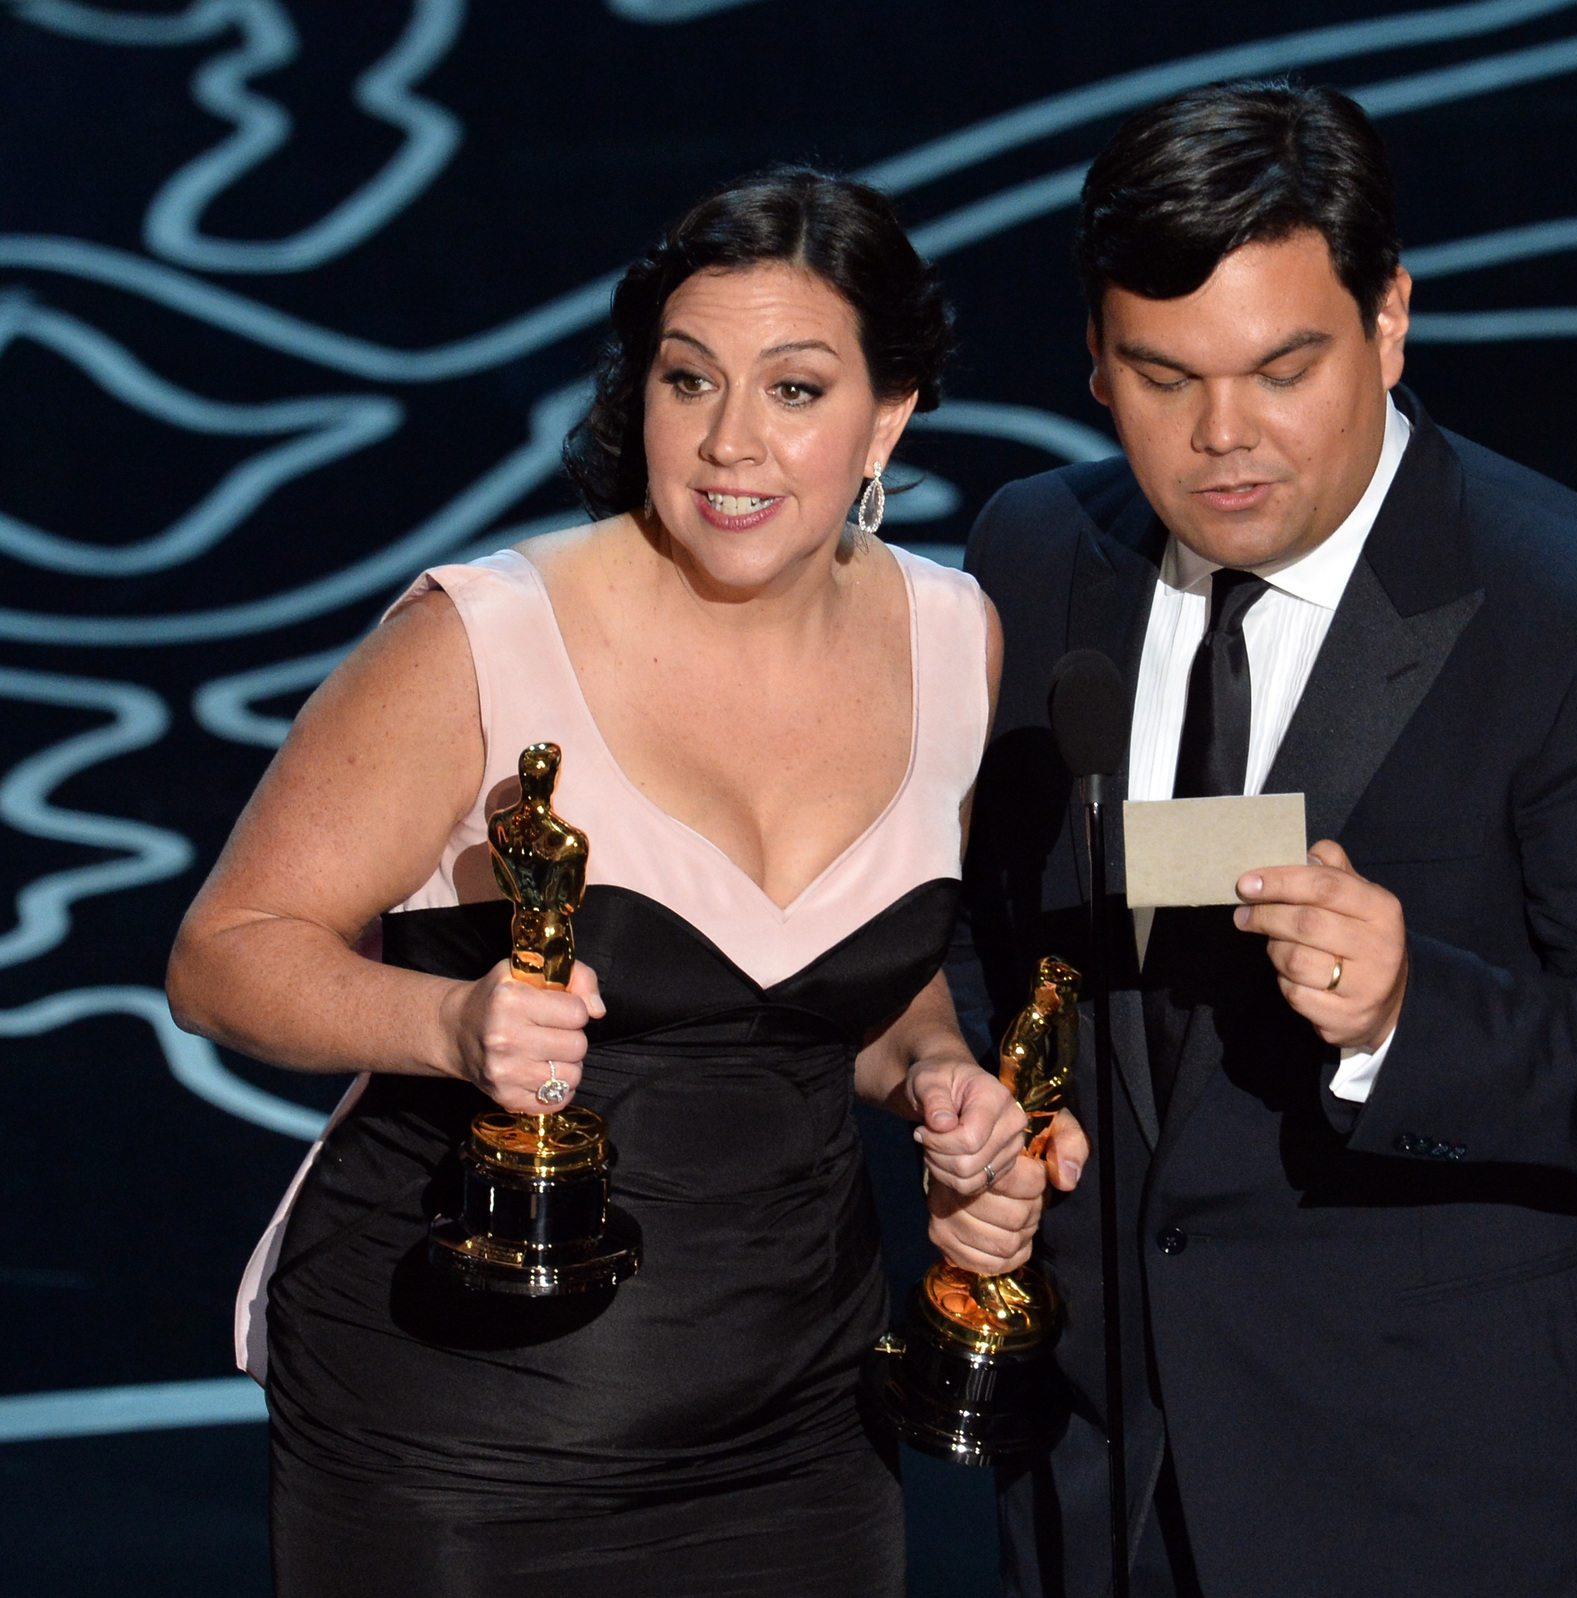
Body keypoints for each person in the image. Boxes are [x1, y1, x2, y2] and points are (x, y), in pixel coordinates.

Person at [168, 166, 1082, 1598]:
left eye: (794, 389)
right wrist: (449, 1026)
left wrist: (941, 1080)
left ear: (887, 415)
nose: (730, 441)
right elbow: (223, 953)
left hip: (799, 1421)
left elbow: (864, 976)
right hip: (456, 1433)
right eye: (686, 379)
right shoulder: (483, 637)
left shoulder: (952, 637)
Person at [953, 84, 1577, 1597]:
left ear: (1390, 322)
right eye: (1162, 376)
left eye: (1284, 366)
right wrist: (973, 1104)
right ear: (1092, 359)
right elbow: (987, 926)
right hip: (1108, 1504)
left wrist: (1410, 1016)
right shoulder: (1035, 554)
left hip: (1457, 1519)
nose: (1224, 437)